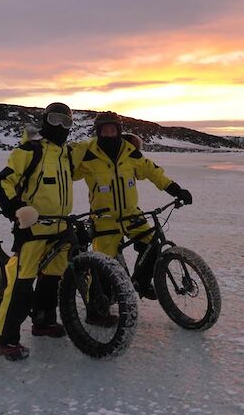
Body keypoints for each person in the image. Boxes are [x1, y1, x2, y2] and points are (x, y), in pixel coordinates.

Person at [73, 111, 191, 318]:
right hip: (104, 219)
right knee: (103, 265)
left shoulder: (130, 152)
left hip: (131, 215)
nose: (109, 134)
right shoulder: (87, 153)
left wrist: (176, 189)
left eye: (113, 130)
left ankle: (141, 282)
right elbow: (67, 172)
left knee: (153, 244)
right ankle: (96, 308)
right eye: (104, 130)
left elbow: (153, 172)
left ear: (119, 131)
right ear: (98, 132)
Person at [0, 102, 79, 360]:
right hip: (32, 230)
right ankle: (6, 340)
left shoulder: (66, 154)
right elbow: (2, 181)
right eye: (54, 119)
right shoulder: (30, 150)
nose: (60, 126)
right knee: (21, 283)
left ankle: (43, 323)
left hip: (60, 227)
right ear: (44, 120)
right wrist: (17, 210)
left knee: (51, 279)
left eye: (66, 122)